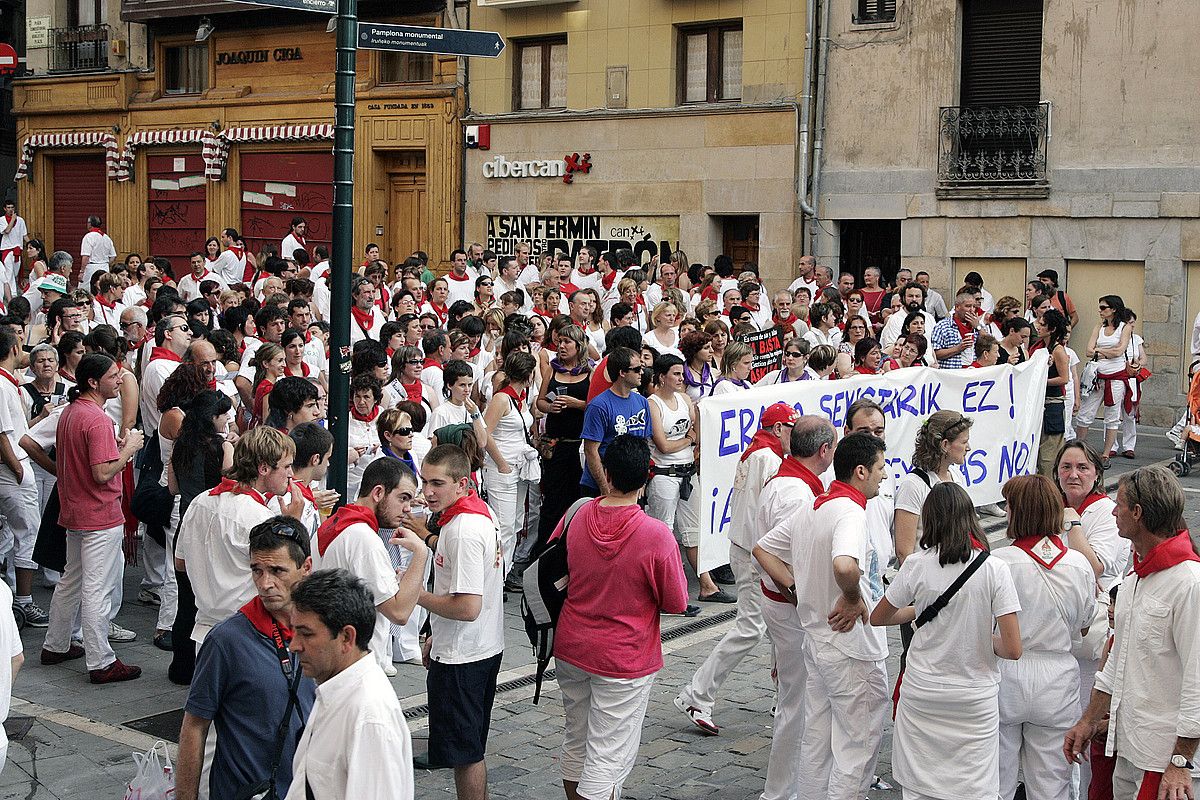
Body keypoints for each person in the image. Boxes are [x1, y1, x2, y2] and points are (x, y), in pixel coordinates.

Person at [554, 435, 688, 800]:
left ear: (606, 473)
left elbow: (555, 564)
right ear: (646, 478)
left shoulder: (578, 513)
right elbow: (676, 601)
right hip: (624, 657)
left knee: (576, 739)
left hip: (571, 644)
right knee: (607, 755)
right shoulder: (656, 534)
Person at [871, 482, 1022, 800]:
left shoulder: (916, 565)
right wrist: (982, 637)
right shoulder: (995, 569)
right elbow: (1012, 648)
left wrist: (921, 609)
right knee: (973, 788)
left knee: (920, 787)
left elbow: (879, 617)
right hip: (973, 699)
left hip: (923, 694)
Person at [1064, 466, 1200, 799]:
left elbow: (1198, 679)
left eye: (1120, 504)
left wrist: (1180, 760)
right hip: (1126, 750)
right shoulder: (1133, 580)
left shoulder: (1190, 583)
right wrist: (1088, 721)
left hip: (1164, 760)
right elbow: (1115, 667)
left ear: (1137, 513)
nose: (1113, 511)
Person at [675, 402, 799, 735]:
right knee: (752, 627)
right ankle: (697, 694)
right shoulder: (768, 458)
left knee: (780, 627)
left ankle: (784, 697)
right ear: (777, 429)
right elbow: (769, 512)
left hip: (751, 548)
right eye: (790, 427)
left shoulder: (758, 452)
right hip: (755, 553)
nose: (794, 434)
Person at [177, 517, 316, 800]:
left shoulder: (323, 632)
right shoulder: (226, 641)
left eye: (277, 571)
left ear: (307, 568)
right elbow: (194, 726)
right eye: (257, 570)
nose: (265, 583)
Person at [790, 433, 891, 800]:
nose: (884, 474)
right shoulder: (849, 511)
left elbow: (764, 550)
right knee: (857, 746)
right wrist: (850, 597)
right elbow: (845, 564)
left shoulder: (816, 505)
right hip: (851, 646)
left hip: (819, 639)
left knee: (817, 740)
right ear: (861, 471)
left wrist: (801, 592)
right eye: (881, 467)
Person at [40, 353, 145, 683]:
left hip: (75, 510)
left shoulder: (72, 412)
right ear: (93, 382)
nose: (119, 381)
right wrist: (128, 450)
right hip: (98, 513)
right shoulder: (96, 418)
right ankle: (101, 660)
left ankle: (55, 644)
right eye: (114, 376)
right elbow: (101, 473)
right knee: (96, 589)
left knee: (72, 580)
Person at [991, 475, 1096, 800]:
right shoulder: (1078, 564)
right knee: (1053, 785)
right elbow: (1084, 626)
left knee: (996, 781)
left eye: (1009, 505)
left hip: (1005, 675)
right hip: (1056, 678)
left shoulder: (997, 563)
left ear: (1018, 512)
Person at [751, 416, 837, 800]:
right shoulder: (796, 494)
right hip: (790, 611)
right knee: (798, 704)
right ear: (824, 451)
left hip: (784, 607)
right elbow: (780, 557)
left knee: (798, 701)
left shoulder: (790, 483)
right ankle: (783, 790)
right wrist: (803, 596)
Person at [417, 444, 505, 800]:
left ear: (462, 484)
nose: (427, 492)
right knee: (466, 750)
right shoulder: (477, 514)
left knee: (466, 754)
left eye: (437, 483)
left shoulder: (464, 529)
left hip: (463, 656)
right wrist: (433, 633)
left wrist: (413, 595)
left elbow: (467, 606)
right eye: (424, 482)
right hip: (477, 646)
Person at [286, 568, 415, 800]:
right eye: (294, 632)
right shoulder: (335, 687)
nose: (294, 645)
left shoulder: (369, 715)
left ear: (346, 637)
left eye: (306, 634)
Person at [175, 427, 304, 649]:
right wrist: (292, 526)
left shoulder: (200, 501)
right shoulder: (260, 518)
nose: (292, 474)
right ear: (263, 468)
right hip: (250, 633)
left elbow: (181, 563)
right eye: (286, 466)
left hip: (206, 632)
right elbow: (289, 576)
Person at [312, 458, 429, 676]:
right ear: (378, 493)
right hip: (358, 666)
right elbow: (399, 612)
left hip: (338, 657)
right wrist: (421, 553)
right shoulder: (364, 539)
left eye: (411, 501)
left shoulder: (336, 521)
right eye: (403, 498)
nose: (407, 509)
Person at [646, 354, 716, 609]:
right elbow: (663, 446)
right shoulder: (653, 404)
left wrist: (691, 439)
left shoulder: (685, 399)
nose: (680, 378)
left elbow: (697, 431)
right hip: (665, 475)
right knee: (662, 533)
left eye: (682, 373)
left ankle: (707, 585)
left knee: (694, 531)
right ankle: (660, 592)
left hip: (687, 472)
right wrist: (688, 440)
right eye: (675, 374)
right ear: (662, 376)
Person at [0, 326, 48, 625]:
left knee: (10, 534)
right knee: (27, 533)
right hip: (13, 469)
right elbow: (3, 434)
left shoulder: (9, 384)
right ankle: (24, 601)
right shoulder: (3, 386)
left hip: (14, 466)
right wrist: (18, 469)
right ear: (14, 349)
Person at [481, 351, 541, 581]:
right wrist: (502, 463)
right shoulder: (501, 399)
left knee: (515, 522)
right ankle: (493, 577)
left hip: (519, 467)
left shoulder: (520, 398)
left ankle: (502, 575)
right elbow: (485, 433)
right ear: (527, 375)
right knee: (503, 525)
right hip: (502, 467)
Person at [580, 347, 651, 497]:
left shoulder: (642, 402)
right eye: (637, 369)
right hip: (600, 485)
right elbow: (591, 451)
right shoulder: (599, 406)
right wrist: (605, 489)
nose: (642, 373)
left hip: (631, 486)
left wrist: (642, 481)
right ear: (622, 372)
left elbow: (644, 444)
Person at [1074, 295, 1134, 466]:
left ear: (1113, 309)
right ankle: (1080, 447)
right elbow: (1088, 350)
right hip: (1097, 377)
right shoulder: (1099, 327)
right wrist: (1105, 351)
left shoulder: (1125, 328)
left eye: (1103, 307)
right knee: (1085, 413)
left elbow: (1120, 350)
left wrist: (1099, 351)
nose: (1100, 311)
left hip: (1116, 377)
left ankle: (1106, 453)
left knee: (1112, 416)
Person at [1032, 309, 1072, 476]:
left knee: (1048, 455)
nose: (1038, 327)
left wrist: (1042, 381)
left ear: (1052, 329)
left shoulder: (1058, 350)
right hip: (1041, 403)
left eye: (1043, 324)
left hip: (1053, 404)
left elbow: (1064, 378)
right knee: (1039, 452)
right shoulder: (1041, 346)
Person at [930, 287, 979, 369]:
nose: (972, 310)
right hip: (951, 375)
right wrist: (958, 348)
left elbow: (990, 345)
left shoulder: (976, 326)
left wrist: (978, 326)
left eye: (974, 307)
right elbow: (936, 354)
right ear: (957, 307)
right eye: (968, 306)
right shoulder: (943, 326)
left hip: (971, 374)